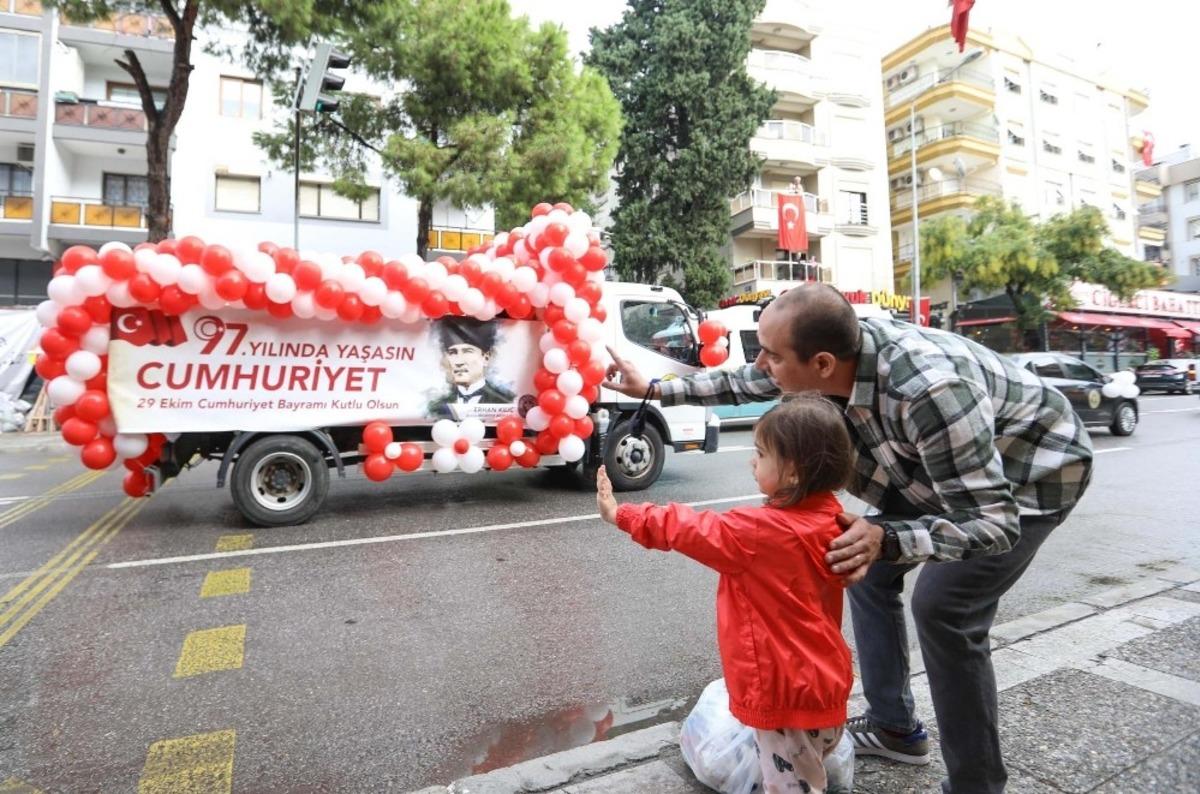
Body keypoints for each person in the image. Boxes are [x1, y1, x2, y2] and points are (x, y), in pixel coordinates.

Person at [604, 283, 1093, 794]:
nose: (762, 366)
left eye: (771, 356)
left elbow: (992, 521)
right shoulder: (828, 361)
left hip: (1030, 476)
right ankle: (895, 728)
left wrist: (886, 536)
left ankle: (978, 783)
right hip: (930, 473)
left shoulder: (928, 391)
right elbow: (749, 381)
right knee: (856, 564)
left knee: (944, 610)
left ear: (820, 364)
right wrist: (654, 389)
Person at [596, 396, 856, 794]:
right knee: (808, 770)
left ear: (792, 472)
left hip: (784, 694)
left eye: (762, 453)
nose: (753, 462)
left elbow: (687, 527)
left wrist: (623, 514)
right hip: (824, 681)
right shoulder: (836, 519)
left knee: (793, 786)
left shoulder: (756, 532)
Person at [426, 316, 516, 418]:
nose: (458, 362)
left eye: (467, 352)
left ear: (486, 358)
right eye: (453, 352)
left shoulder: (506, 402)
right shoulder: (437, 408)